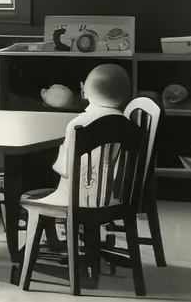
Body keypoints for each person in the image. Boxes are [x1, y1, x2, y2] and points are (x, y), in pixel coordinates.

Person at [48, 63, 132, 206]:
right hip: (113, 200)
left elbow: (64, 169)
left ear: (85, 92)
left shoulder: (78, 124)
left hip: (76, 201)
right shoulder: (127, 124)